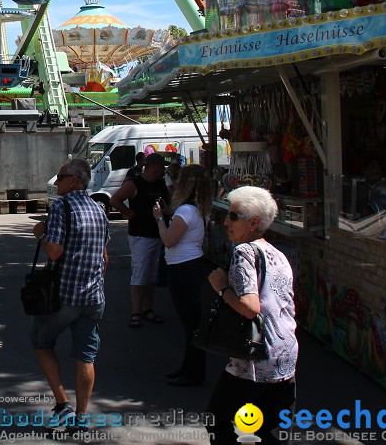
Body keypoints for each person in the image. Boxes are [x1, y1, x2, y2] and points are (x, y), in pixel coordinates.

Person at [206, 186, 298, 443]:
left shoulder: (244, 252)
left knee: (217, 419)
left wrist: (221, 287)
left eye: (234, 216)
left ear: (254, 222)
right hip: (285, 352)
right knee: (271, 428)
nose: (226, 222)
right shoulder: (277, 254)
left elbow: (249, 307)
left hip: (256, 355)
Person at [30, 158, 110, 434]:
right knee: (85, 357)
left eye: (61, 177)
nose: (57, 182)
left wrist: (40, 234)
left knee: (42, 342)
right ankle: (82, 417)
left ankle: (63, 403)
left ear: (75, 181)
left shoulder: (61, 207)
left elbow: (54, 251)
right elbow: (104, 257)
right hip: (93, 296)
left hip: (65, 294)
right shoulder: (100, 209)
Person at [152, 164, 214, 386]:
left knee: (191, 325)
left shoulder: (185, 211)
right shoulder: (197, 208)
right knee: (192, 324)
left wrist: (159, 218)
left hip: (183, 268)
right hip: (191, 266)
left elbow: (169, 239)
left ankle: (193, 373)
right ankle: (188, 369)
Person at [109, 151, 170, 328]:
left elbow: (168, 201)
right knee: (140, 272)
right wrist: (129, 213)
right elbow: (115, 200)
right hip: (140, 234)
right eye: (161, 166)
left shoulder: (160, 183)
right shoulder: (135, 183)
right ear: (152, 167)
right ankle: (136, 311)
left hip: (157, 233)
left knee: (151, 274)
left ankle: (147, 308)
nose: (164, 169)